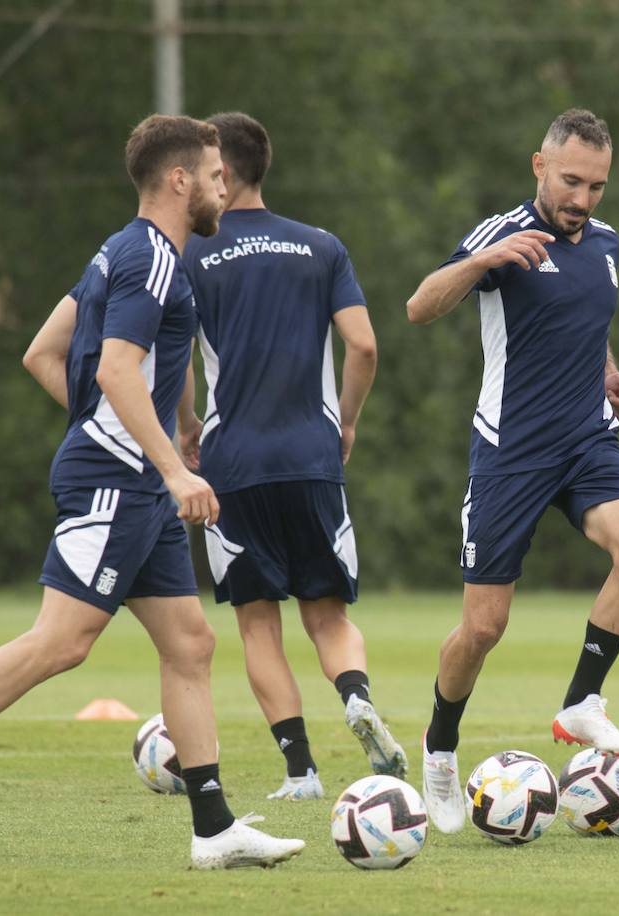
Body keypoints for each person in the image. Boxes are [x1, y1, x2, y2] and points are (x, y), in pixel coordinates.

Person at [0, 114, 304, 869]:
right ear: (178, 180)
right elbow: (114, 371)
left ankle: (214, 829)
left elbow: (46, 352)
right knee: (62, 642)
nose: (225, 186)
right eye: (214, 175)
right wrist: (162, 462)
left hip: (133, 479)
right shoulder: (154, 261)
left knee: (190, 644)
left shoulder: (122, 252)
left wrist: (172, 429)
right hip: (118, 485)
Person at [405, 109, 619, 833]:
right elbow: (420, 307)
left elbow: (587, 321)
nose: (583, 197)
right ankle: (441, 744)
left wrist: (611, 375)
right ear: (539, 166)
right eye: (572, 180)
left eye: (598, 185)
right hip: (511, 452)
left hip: (587, 441)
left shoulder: (606, 244)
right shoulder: (503, 235)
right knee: (482, 628)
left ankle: (582, 702)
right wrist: (484, 261)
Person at [177, 111, 405, 801]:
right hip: (312, 454)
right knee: (328, 617)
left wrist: (188, 427)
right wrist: (348, 422)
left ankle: (301, 771)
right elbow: (363, 346)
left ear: (224, 172)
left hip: (233, 462)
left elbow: (176, 356)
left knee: (257, 623)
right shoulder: (321, 246)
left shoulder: (190, 254)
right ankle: (357, 696)